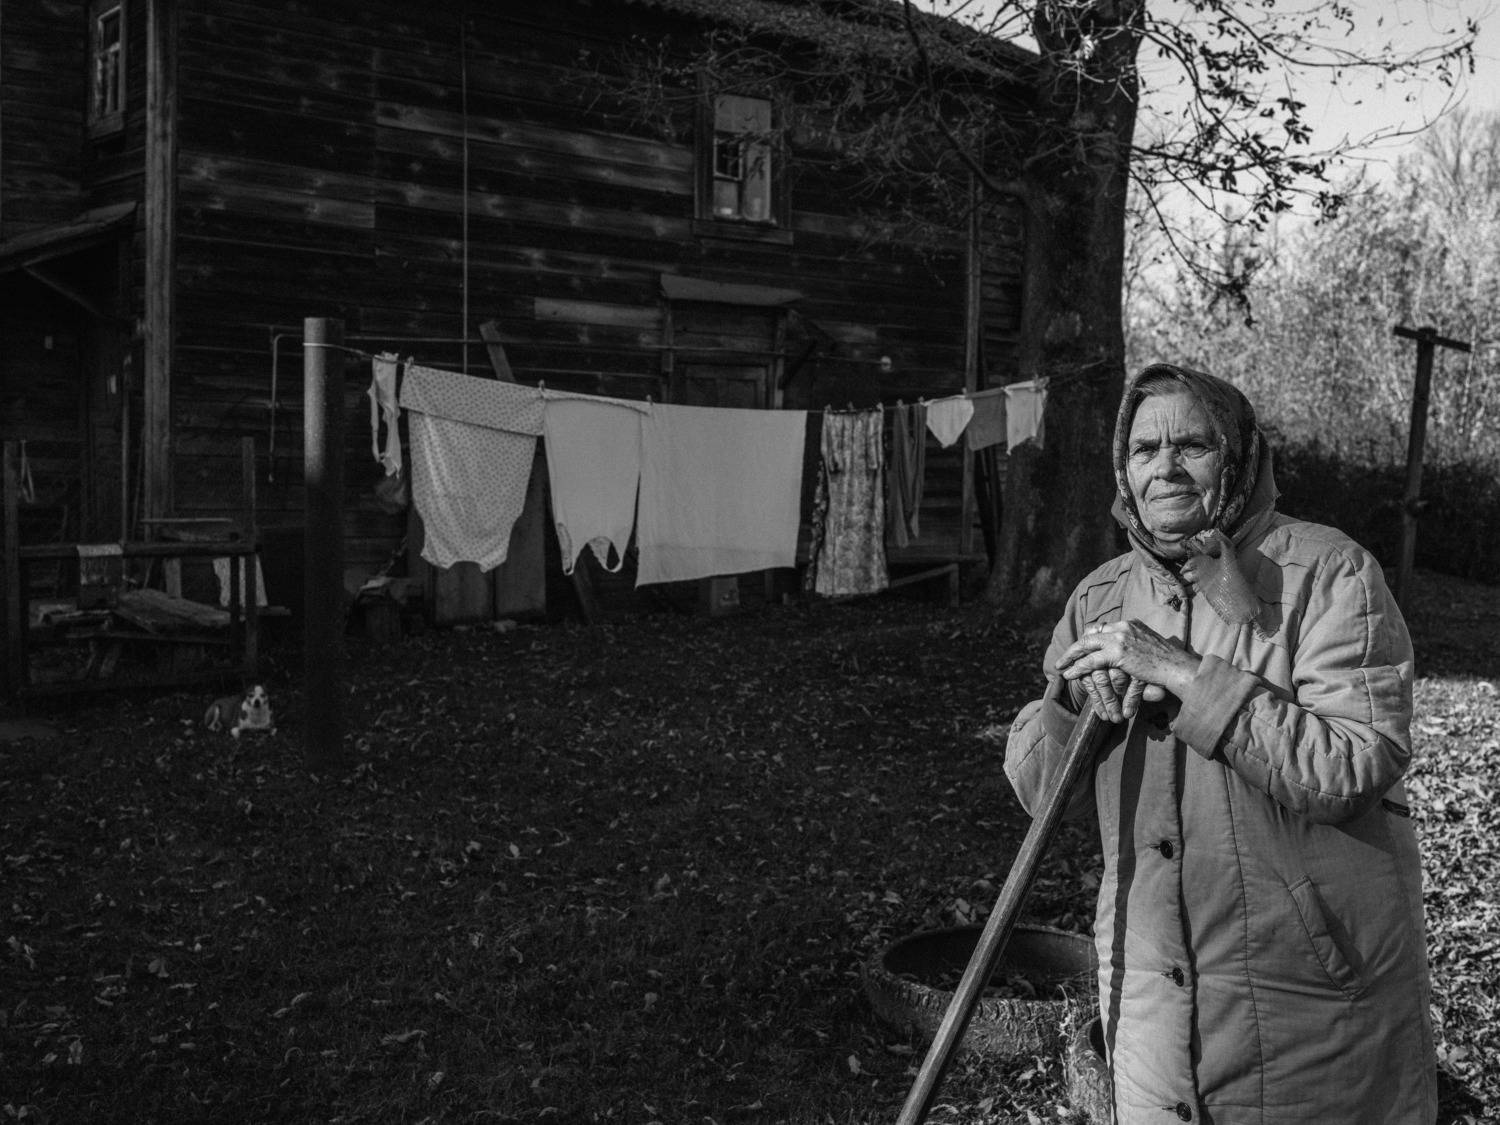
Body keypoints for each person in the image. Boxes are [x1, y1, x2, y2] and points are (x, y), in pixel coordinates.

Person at [1005, 363, 1435, 1125]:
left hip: (1311, 997)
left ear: (1238, 456)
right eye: (1144, 449)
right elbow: (1042, 795)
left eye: (1192, 445)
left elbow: (1354, 763)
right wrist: (1070, 705)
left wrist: (1182, 672)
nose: (1165, 466)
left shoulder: (1326, 573)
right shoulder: (1100, 596)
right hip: (1149, 990)